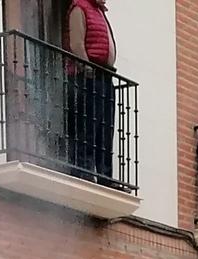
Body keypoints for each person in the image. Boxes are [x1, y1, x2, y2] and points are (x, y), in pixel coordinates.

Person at [64, 0, 117, 183]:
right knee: (87, 128)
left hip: (104, 77)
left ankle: (104, 176)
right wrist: (86, 68)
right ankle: (84, 171)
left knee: (105, 130)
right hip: (88, 76)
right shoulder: (80, 7)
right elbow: (77, 44)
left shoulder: (99, 10)